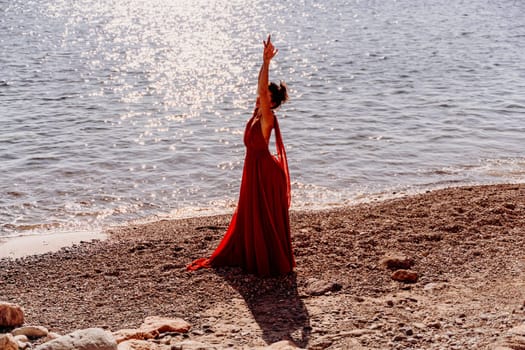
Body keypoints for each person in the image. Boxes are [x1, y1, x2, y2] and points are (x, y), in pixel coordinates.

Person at [187, 35, 295, 276]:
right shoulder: (257, 114)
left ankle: (268, 259)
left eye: (265, 93)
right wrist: (263, 63)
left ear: (272, 101)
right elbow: (260, 84)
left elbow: (261, 84)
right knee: (252, 213)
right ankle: (255, 254)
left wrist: (266, 62)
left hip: (265, 173)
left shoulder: (268, 117)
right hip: (255, 169)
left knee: (262, 216)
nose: (259, 93)